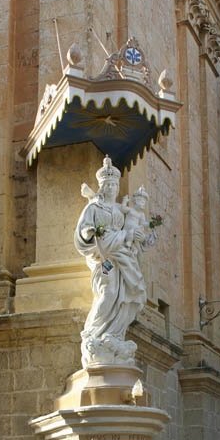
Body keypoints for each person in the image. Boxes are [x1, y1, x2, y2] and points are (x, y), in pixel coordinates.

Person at [74, 156, 150, 367]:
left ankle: (114, 335)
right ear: (103, 186)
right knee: (107, 293)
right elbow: (83, 230)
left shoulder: (120, 209)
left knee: (123, 294)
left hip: (122, 257)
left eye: (115, 185)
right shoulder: (93, 208)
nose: (112, 188)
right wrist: (91, 232)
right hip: (105, 258)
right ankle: (94, 333)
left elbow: (132, 230)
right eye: (108, 185)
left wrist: (138, 237)